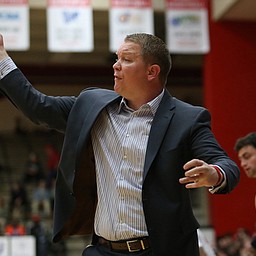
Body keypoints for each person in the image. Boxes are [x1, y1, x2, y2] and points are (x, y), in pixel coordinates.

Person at [0, 32, 240, 256]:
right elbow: (37, 106)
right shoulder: (91, 105)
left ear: (151, 72)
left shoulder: (187, 118)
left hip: (161, 249)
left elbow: (226, 164)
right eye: (117, 58)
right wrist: (2, 58)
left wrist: (214, 174)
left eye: (126, 59)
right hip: (103, 249)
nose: (115, 65)